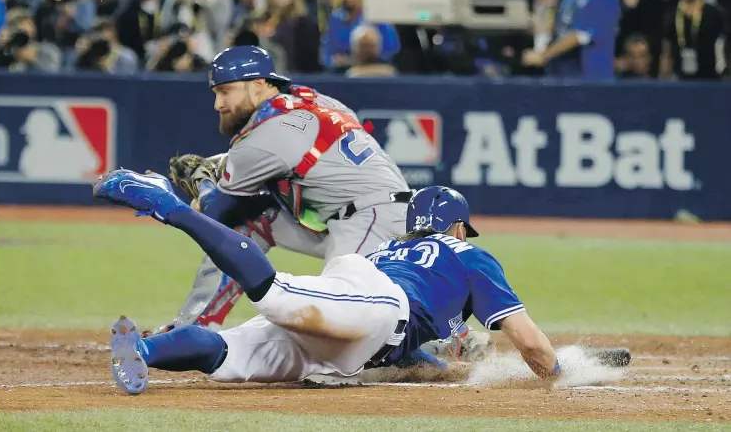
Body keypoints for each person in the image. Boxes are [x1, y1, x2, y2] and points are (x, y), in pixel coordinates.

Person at [93, 175, 560, 395]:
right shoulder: (469, 255)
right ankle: (165, 203)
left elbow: (390, 339)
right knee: (274, 295)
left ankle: (144, 352)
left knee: (228, 354)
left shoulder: (391, 250)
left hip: (356, 328)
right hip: (378, 306)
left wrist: (436, 367)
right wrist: (562, 375)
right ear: (459, 228)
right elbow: (530, 343)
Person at [146, 45, 414, 339]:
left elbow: (216, 214)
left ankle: (447, 345)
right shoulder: (310, 99)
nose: (218, 104)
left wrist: (204, 184)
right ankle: (195, 326)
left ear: (259, 85)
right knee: (250, 223)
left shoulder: (262, 137)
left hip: (373, 219)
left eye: (226, 91)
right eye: (215, 92)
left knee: (342, 336)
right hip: (365, 213)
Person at [522, 0, 620, 80]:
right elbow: (564, 24)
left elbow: (581, 35)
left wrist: (544, 56)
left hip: (589, 76)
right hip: (560, 72)